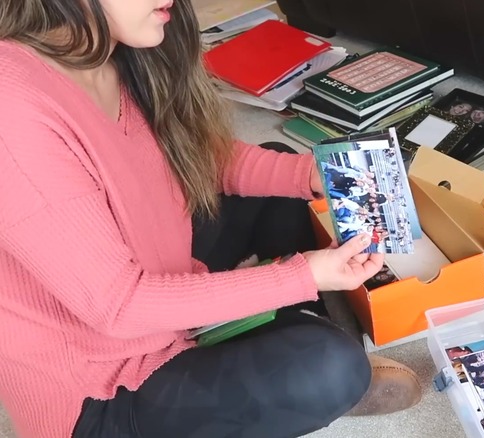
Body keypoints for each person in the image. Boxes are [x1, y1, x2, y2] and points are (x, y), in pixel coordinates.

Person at [0, 1, 422, 437]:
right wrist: (303, 276)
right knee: (331, 368)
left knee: (280, 182)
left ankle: (286, 357)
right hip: (103, 387)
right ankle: (296, 369)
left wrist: (311, 175)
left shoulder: (117, 52)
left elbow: (199, 157)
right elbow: (120, 307)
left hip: (165, 293)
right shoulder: (12, 107)